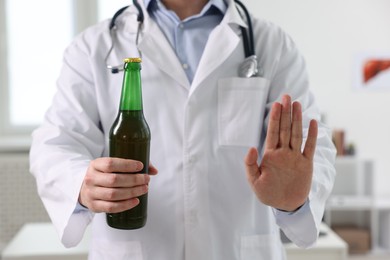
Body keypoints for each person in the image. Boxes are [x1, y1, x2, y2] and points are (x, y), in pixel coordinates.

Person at [29, 0, 336, 259]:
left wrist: (295, 198)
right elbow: (56, 144)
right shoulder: (94, 47)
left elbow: (311, 143)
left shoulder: (272, 44)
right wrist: (82, 183)